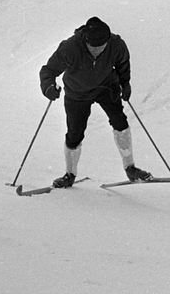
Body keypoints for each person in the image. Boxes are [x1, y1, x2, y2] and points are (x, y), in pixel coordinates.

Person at [39, 16, 152, 187]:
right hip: (77, 93)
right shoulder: (70, 48)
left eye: (102, 47)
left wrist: (125, 83)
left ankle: (130, 168)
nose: (98, 50)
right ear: (86, 41)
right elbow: (48, 70)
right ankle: (69, 174)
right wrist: (48, 87)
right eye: (94, 47)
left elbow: (122, 63)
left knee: (120, 121)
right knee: (75, 134)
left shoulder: (116, 44)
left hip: (106, 87)